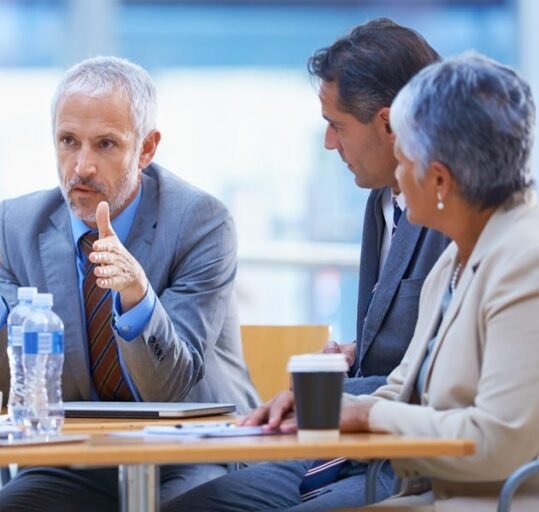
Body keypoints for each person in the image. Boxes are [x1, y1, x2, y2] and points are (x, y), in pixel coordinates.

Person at [0, 55, 258, 511]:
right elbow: (7, 394)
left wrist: (136, 294)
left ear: (146, 149)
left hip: (191, 452)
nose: (82, 166)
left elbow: (168, 387)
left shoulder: (200, 222)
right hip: (74, 460)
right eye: (68, 141)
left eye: (105, 144)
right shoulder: (19, 224)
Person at [162, 19, 450, 511]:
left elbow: (444, 377)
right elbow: (405, 342)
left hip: (406, 458)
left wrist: (329, 395)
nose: (328, 143)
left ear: (387, 124)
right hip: (349, 446)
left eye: (337, 125)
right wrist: (354, 355)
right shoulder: (380, 202)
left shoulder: (450, 214)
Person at [264, 53, 539, 510]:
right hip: (433, 495)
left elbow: (497, 442)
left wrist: (368, 415)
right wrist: (328, 406)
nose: (397, 180)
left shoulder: (536, 262)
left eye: (402, 162)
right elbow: (401, 389)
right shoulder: (456, 259)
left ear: (439, 179)